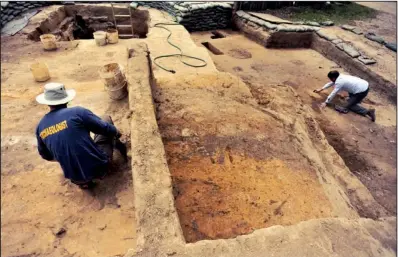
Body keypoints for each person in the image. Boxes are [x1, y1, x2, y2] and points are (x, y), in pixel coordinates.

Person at [35, 83, 127, 189]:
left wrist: (66, 155)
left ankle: (83, 181)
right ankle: (116, 155)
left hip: (75, 177)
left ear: (48, 103)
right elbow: (105, 128)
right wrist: (118, 134)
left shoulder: (40, 127)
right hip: (99, 166)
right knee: (106, 119)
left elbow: (46, 156)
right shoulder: (77, 112)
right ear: (66, 100)